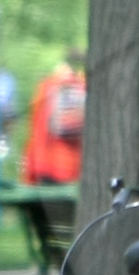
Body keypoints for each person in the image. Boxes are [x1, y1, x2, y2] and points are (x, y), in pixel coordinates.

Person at [20, 53, 86, 187]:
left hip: (47, 166)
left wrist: (30, 175)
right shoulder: (85, 87)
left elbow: (36, 129)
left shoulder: (47, 87)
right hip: (77, 170)